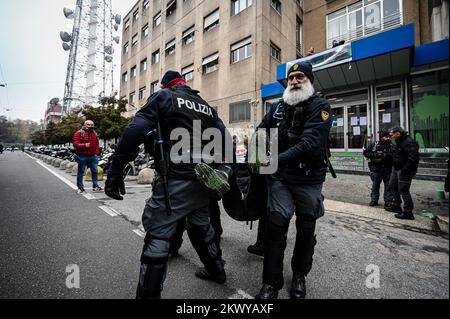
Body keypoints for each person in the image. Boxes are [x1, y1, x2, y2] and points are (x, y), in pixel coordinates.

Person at [104, 71, 233, 299]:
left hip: (174, 180)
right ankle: (217, 270)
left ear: (165, 84)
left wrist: (115, 172)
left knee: (158, 234)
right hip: (203, 180)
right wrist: (224, 170)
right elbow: (226, 141)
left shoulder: (164, 96)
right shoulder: (206, 106)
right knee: (201, 227)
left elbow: (134, 130)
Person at [252, 62, 333, 299]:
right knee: (275, 227)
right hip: (281, 179)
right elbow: (260, 130)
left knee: (306, 229)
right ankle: (270, 284)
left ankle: (299, 275)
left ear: (309, 80)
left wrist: (274, 160)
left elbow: (310, 143)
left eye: (300, 77)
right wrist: (255, 156)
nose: (295, 81)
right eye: (291, 78)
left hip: (309, 179)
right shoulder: (279, 107)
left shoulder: (321, 106)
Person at [386, 127, 420, 220]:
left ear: (398, 133)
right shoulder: (399, 141)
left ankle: (408, 212)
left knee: (404, 190)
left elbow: (413, 158)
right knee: (392, 185)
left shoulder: (409, 142)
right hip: (396, 168)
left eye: (392, 134)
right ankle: (396, 205)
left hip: (404, 170)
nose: (391, 136)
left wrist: (405, 169)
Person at [363, 131, 394, 208]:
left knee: (388, 186)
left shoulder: (391, 145)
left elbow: (396, 156)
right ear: (382, 137)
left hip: (388, 169)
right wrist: (374, 155)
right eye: (386, 136)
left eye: (389, 137)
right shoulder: (375, 145)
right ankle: (374, 200)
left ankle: (388, 201)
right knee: (375, 185)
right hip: (376, 169)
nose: (388, 138)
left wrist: (389, 157)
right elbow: (365, 152)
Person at [73, 120, 103, 194]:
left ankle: (95, 186)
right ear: (84, 125)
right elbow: (75, 144)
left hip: (93, 156)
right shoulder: (79, 133)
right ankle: (80, 188)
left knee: (95, 171)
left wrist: (96, 153)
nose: (90, 126)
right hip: (82, 156)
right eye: (88, 125)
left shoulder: (94, 134)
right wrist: (84, 145)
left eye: (92, 125)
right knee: (81, 172)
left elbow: (96, 144)